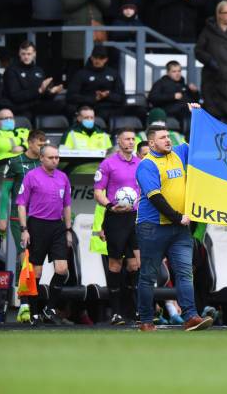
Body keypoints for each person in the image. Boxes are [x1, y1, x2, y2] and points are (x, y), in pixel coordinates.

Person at [135, 121, 213, 331]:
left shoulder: (179, 153)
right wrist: (178, 217)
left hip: (179, 229)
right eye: (162, 137)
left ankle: (191, 317)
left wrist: (195, 116)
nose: (168, 139)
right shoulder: (147, 164)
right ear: (151, 143)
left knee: (185, 273)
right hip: (152, 227)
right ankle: (146, 320)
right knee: (149, 275)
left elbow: (198, 141)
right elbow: (155, 198)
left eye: (168, 136)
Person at [16, 144, 73, 325]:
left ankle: (49, 308)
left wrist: (68, 230)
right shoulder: (31, 176)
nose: (55, 160)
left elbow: (67, 205)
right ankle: (34, 313)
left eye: (57, 157)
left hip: (57, 226)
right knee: (37, 273)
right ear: (41, 158)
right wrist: (24, 229)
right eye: (51, 157)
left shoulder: (63, 177)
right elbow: (21, 204)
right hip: (37, 226)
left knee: (62, 270)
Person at [0, 130, 47, 323]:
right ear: (30, 143)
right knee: (23, 256)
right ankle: (23, 304)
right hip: (18, 218)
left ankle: (30, 303)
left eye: (44, 144)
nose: (42, 147)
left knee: (36, 261)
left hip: (40, 218)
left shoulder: (45, 163)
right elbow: (5, 191)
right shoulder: (15, 162)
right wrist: (2, 216)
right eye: (39, 144)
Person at [94, 129, 141, 325]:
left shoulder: (141, 163)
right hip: (115, 218)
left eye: (133, 139)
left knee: (135, 265)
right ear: (119, 141)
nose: (131, 142)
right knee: (115, 264)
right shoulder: (108, 164)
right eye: (127, 139)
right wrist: (111, 206)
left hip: (136, 218)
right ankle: (115, 312)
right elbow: (98, 192)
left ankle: (132, 309)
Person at [3, 41, 65, 120]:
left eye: (29, 54)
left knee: (63, 105)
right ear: (19, 54)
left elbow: (42, 94)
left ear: (34, 54)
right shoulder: (12, 71)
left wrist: (51, 92)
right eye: (23, 54)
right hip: (21, 107)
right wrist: (38, 91)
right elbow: (16, 96)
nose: (26, 57)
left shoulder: (39, 70)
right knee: (28, 115)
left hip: (38, 105)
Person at [66, 46, 126, 127]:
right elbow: (71, 96)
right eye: (95, 57)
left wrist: (108, 95)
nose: (98, 60)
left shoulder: (113, 73)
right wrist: (93, 98)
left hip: (111, 106)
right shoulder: (81, 74)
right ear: (91, 57)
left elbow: (121, 97)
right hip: (89, 107)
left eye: (101, 58)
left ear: (106, 59)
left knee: (138, 110)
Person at [0, 109, 31, 173]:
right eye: (5, 118)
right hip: (1, 166)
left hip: (25, 164)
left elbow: (37, 144)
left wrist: (23, 147)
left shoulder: (23, 131)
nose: (9, 120)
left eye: (11, 118)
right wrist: (21, 140)